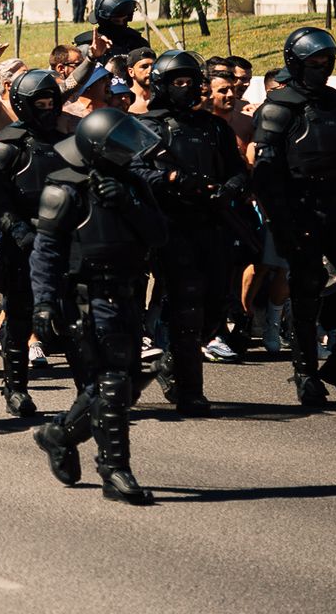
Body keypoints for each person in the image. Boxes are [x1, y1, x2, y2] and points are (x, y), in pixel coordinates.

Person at [31, 108, 168, 505]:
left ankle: (58, 434)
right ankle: (115, 471)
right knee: (111, 382)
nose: (128, 153)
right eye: (119, 146)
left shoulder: (133, 185)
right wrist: (43, 303)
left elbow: (159, 235)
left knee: (131, 378)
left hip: (128, 291)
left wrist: (129, 203)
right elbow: (46, 253)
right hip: (87, 298)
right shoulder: (64, 188)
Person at [250, 28, 336, 406]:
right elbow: (265, 175)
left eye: (326, 61)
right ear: (296, 62)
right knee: (307, 287)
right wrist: (283, 223)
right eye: (313, 62)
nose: (321, 68)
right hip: (301, 212)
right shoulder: (278, 107)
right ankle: (306, 371)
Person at [132, 50, 246, 415]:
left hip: (213, 222)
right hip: (170, 225)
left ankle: (170, 364)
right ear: (163, 86)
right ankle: (190, 390)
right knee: (187, 303)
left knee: (216, 303)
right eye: (178, 82)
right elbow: (133, 172)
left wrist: (230, 188)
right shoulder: (147, 126)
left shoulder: (214, 128)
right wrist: (171, 178)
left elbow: (239, 170)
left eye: (190, 82)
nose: (186, 88)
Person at [0, 70, 68, 417]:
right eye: (39, 104)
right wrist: (18, 233)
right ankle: (15, 388)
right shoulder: (6, 145)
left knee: (74, 318)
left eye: (51, 103)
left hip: (63, 240)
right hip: (23, 245)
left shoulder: (66, 144)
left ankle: (86, 392)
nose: (47, 110)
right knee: (19, 317)